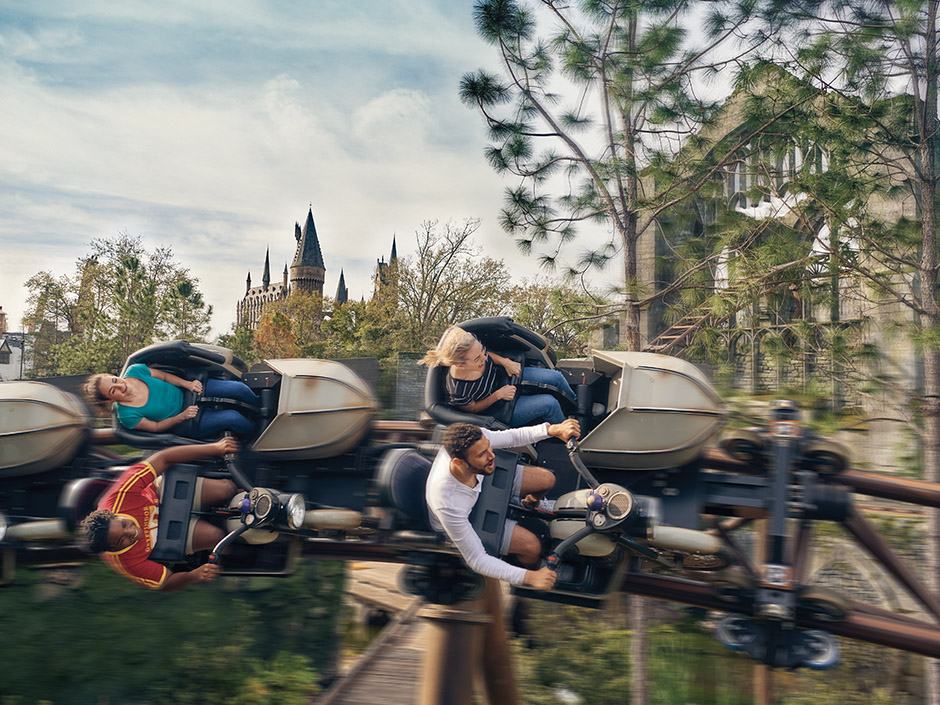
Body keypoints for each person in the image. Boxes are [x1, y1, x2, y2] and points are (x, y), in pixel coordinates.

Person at [426, 418, 581, 591]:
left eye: (488, 447)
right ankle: (536, 566)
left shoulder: (476, 438)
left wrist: (553, 429)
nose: (491, 455)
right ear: (458, 463)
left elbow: (512, 437)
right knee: (532, 546)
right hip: (468, 518)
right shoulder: (447, 502)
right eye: (481, 454)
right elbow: (476, 560)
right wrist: (530, 577)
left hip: (483, 482)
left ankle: (532, 503)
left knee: (547, 479)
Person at [78, 437, 239, 592]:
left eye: (124, 524)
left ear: (113, 514)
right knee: (216, 537)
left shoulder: (120, 496)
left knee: (226, 489)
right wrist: (194, 576)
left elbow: (164, 458)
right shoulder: (126, 563)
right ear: (112, 549)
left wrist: (214, 448)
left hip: (160, 495)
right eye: (122, 540)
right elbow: (165, 583)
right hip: (163, 535)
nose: (132, 532)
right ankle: (247, 552)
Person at [421, 326, 578, 426]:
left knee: (555, 378)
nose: (484, 358)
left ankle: (576, 405)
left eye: (482, 351)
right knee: (549, 404)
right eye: (477, 359)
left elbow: (487, 354)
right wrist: (497, 395)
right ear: (460, 365)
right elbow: (473, 409)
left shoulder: (477, 350)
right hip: (499, 406)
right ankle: (567, 432)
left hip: (505, 377)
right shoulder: (458, 391)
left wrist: (505, 362)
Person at [85, 363, 259, 437]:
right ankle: (257, 432)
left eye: (115, 380)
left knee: (238, 389)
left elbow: (165, 376)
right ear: (109, 400)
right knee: (232, 418)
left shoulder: (135, 371)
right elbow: (155, 427)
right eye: (113, 390)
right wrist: (181, 416)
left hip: (189, 391)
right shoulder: (127, 416)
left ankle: (260, 405)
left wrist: (188, 384)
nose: (120, 386)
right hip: (186, 419)